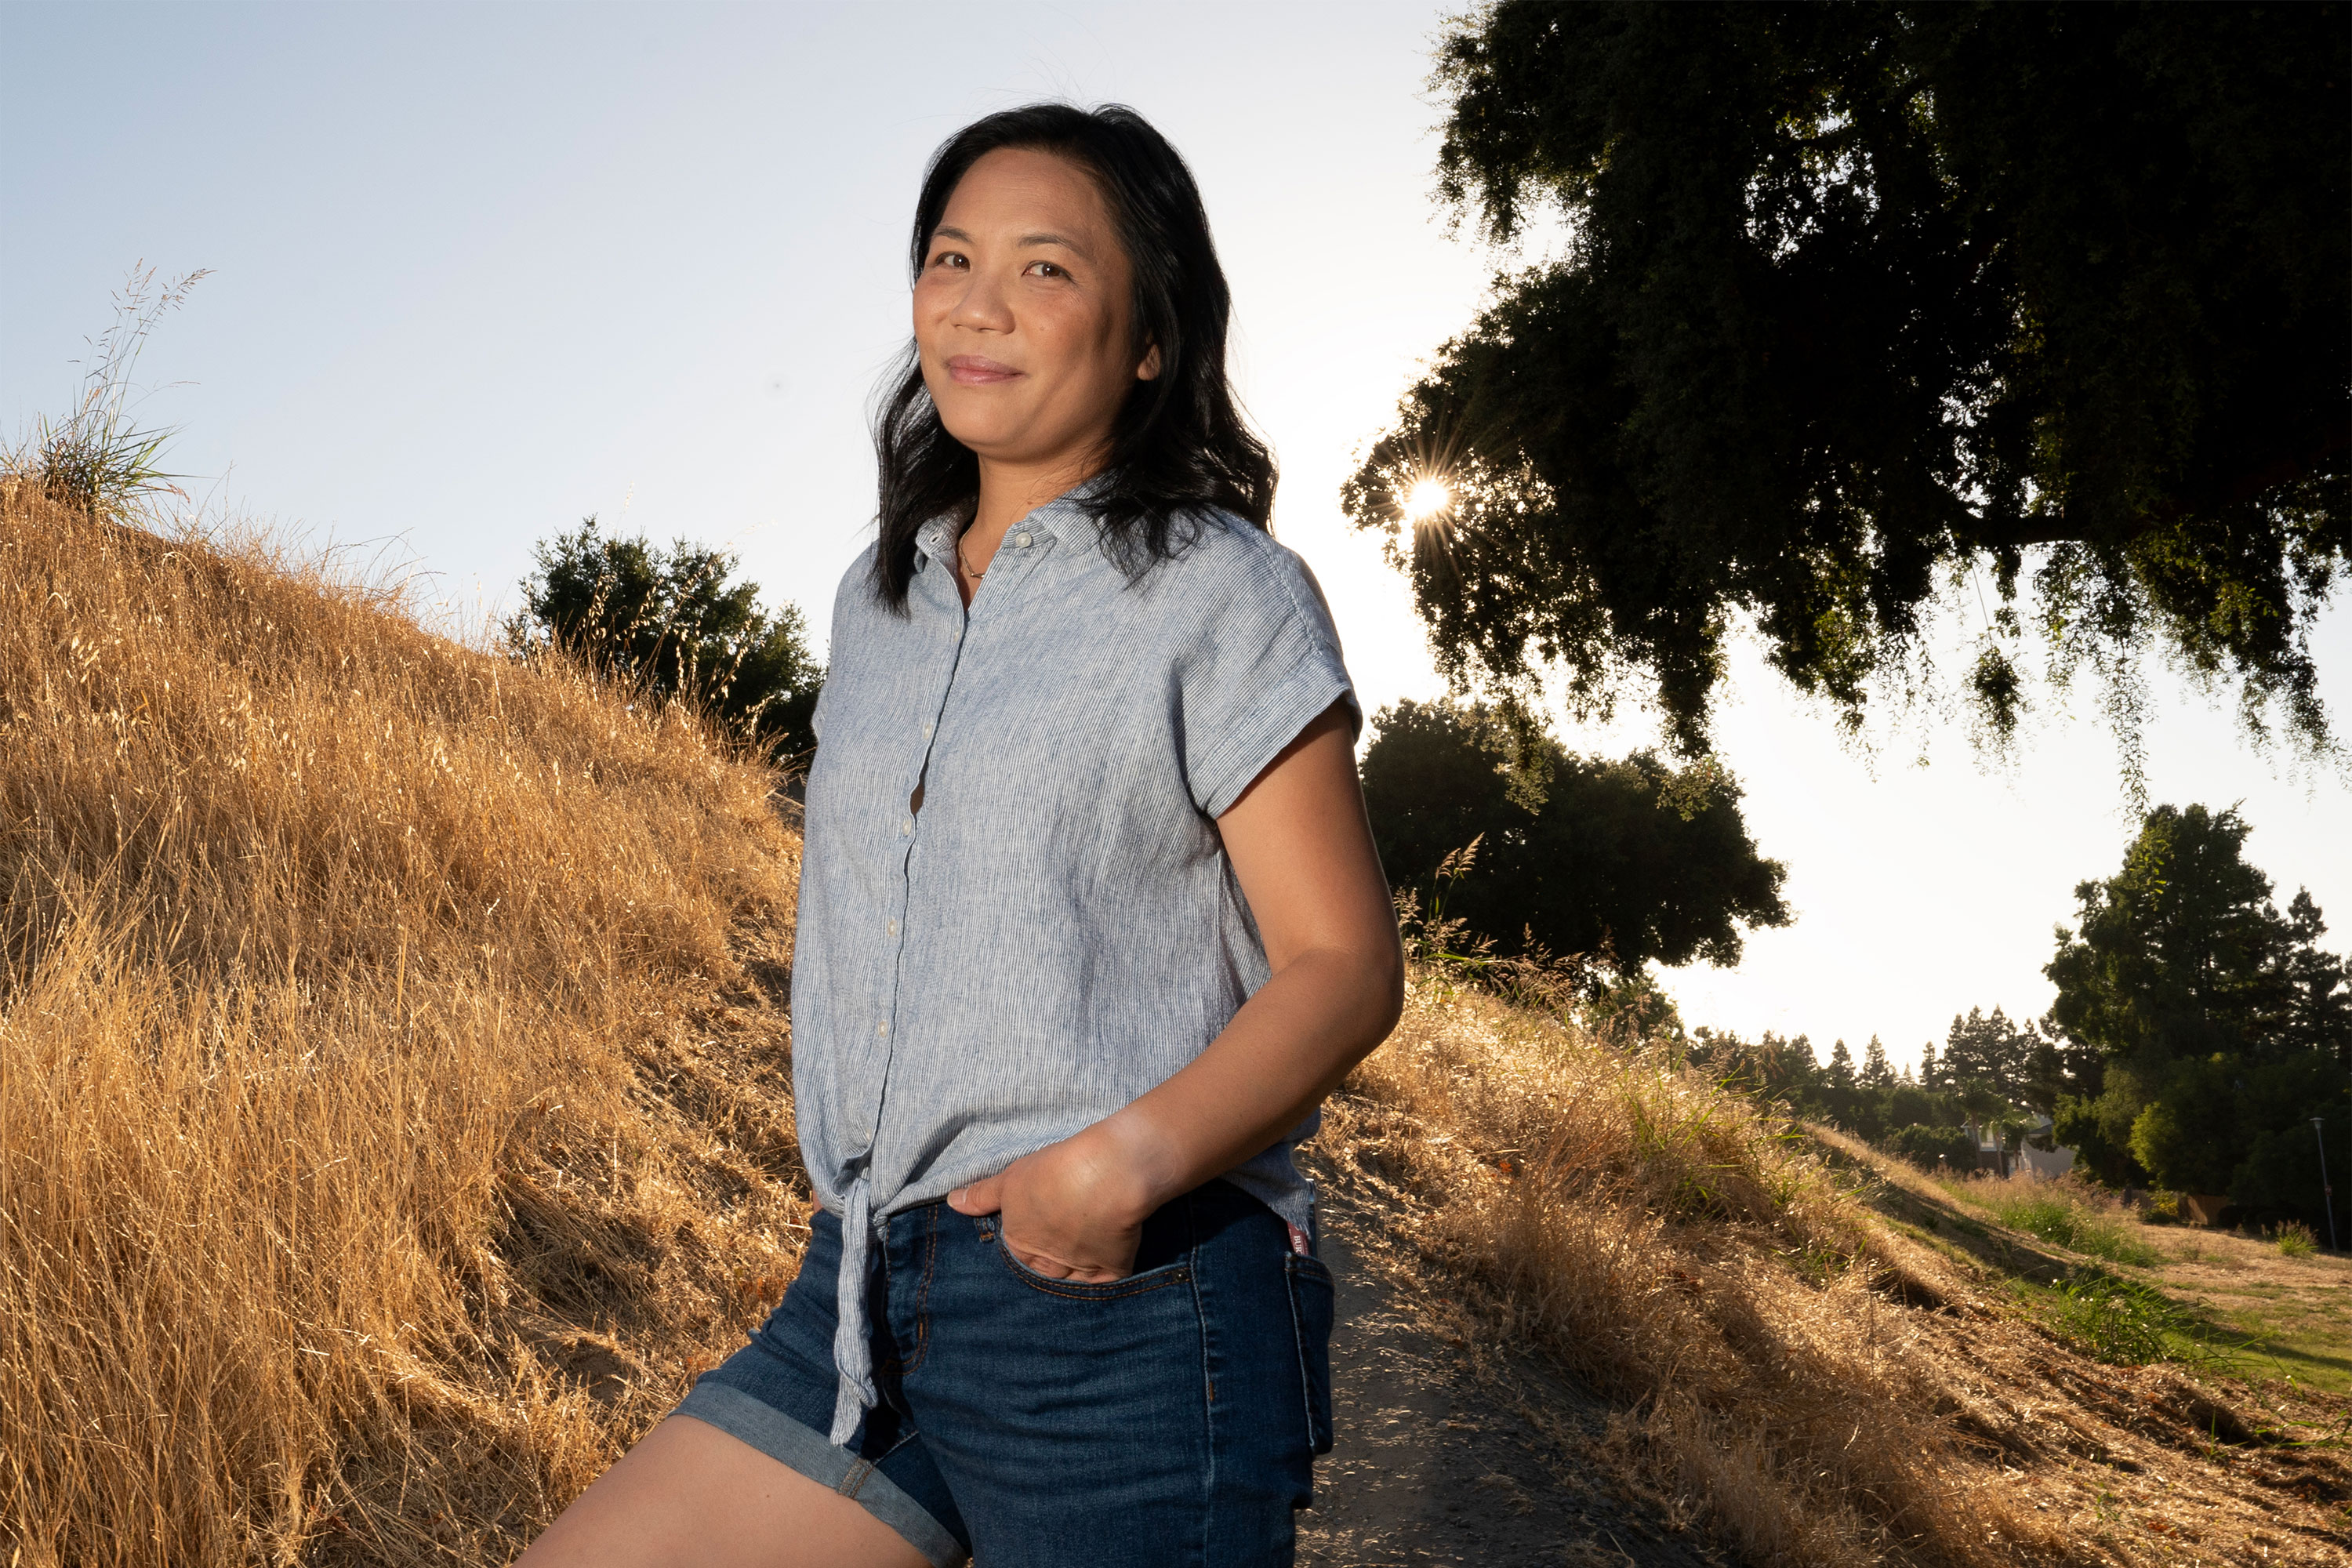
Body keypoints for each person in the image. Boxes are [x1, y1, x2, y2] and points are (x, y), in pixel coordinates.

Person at [517, 101, 1403, 1568]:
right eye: (950, 256)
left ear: (1148, 340)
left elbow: (1343, 965)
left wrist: (1114, 1171)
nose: (979, 306)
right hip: (861, 1292)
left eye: (1047, 270)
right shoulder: (877, 606)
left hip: (1124, 1315)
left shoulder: (1219, 587)